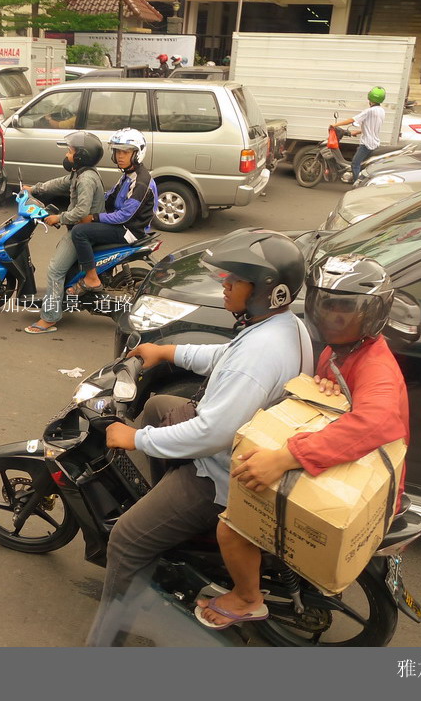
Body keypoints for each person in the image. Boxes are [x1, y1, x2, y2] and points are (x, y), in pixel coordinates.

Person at [85, 228, 307, 646]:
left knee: (127, 539)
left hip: (221, 476)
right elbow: (224, 357)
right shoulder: (281, 326)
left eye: (234, 280)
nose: (223, 284)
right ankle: (169, 527)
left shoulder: (260, 354)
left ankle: (105, 643)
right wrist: (166, 351)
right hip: (238, 449)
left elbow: (212, 433)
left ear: (265, 291)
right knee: (155, 409)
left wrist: (136, 441)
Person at [195, 253, 410, 629]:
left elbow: (374, 420)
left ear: (373, 313)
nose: (333, 317)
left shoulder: (374, 364)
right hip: (341, 453)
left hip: (352, 464)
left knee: (233, 524)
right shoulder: (341, 349)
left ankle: (248, 599)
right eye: (326, 306)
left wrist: (287, 457)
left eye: (347, 309)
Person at [24, 131, 106, 334]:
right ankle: (62, 300)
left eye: (70, 152)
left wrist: (58, 218)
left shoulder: (86, 179)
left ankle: (49, 318)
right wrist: (34, 189)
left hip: (83, 230)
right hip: (80, 228)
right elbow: (60, 183)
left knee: (54, 270)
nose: (67, 156)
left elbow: (82, 211)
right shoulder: (80, 173)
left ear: (80, 156)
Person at [65, 128, 157, 296]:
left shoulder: (141, 181)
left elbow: (124, 215)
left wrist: (93, 217)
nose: (120, 156)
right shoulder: (129, 175)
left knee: (79, 232)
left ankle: (91, 279)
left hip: (129, 230)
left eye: (125, 152)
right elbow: (110, 196)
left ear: (137, 153)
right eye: (117, 151)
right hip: (123, 225)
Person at [333, 86, 387, 183]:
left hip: (367, 144)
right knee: (361, 163)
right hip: (374, 142)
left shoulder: (369, 111)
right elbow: (372, 126)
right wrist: (357, 132)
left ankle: (357, 185)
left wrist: (335, 125)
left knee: (355, 164)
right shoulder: (381, 111)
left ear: (370, 98)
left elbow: (352, 120)